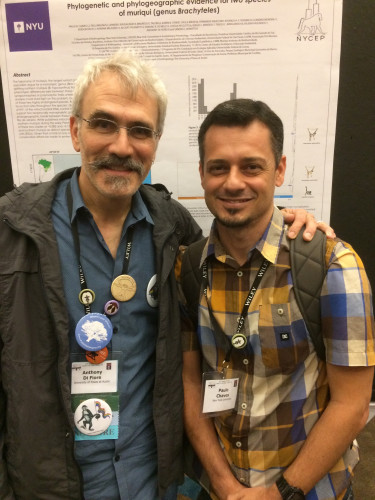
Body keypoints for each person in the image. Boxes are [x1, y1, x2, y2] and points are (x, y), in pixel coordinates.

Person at [0, 50, 330, 500]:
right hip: (49, 485)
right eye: (103, 124)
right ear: (76, 130)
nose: (121, 146)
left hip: (155, 481)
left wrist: (291, 225)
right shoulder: (13, 233)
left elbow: (240, 238)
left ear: (155, 142)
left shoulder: (175, 231)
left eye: (140, 130)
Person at [179, 98, 375, 500]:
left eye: (252, 166)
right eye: (218, 167)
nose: (234, 182)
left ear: (280, 170)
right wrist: (224, 485)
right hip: (220, 489)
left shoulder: (333, 266)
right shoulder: (189, 268)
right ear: (201, 174)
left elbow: (352, 406)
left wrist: (277, 493)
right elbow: (188, 383)